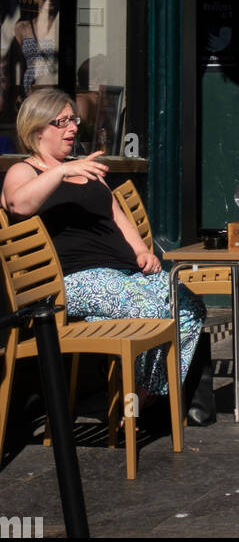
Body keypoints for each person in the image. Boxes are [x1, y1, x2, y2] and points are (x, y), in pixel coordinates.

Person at [0, 89, 206, 409]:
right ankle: (132, 406)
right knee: (148, 310)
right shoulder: (24, 171)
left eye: (74, 120)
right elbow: (18, 203)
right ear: (37, 129)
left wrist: (142, 251)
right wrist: (61, 171)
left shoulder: (81, 166)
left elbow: (115, 214)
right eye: (63, 122)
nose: (73, 128)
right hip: (72, 280)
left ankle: (146, 396)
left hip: (123, 270)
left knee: (188, 306)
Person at [2, 0, 60, 112]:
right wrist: (17, 91)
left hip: (52, 86)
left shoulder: (60, 28)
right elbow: (18, 64)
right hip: (29, 88)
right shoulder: (23, 27)